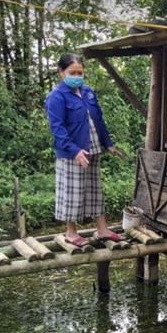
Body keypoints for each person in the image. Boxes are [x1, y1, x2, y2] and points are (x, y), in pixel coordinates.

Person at [45, 53, 126, 247]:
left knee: (95, 190)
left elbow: (98, 120)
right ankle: (71, 233)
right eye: (72, 72)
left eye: (80, 72)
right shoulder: (56, 97)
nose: (77, 75)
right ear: (61, 72)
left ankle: (102, 229)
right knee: (72, 192)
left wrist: (109, 144)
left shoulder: (88, 92)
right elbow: (57, 128)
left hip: (93, 148)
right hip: (71, 152)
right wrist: (74, 150)